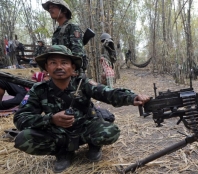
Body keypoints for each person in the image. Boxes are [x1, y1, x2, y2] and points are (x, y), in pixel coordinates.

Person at [13, 45, 150, 173]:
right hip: (58, 134)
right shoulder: (38, 90)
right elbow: (20, 118)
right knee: (23, 139)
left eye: (64, 62)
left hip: (85, 129)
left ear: (73, 67)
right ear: (46, 68)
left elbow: (108, 93)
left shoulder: (83, 83)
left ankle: (93, 145)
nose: (59, 67)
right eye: (53, 63)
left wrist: (132, 97)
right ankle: (62, 153)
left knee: (110, 131)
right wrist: (51, 119)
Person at [42, 0, 87, 72]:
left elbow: (77, 53)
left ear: (64, 10)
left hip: (71, 71)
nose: (50, 10)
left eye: (53, 7)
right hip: (59, 71)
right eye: (49, 8)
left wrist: (73, 70)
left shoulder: (72, 27)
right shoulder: (57, 31)